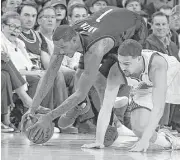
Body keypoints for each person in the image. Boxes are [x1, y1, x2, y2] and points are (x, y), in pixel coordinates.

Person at [21, 6, 147, 143]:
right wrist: (32, 108)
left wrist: (49, 117)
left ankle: (112, 123)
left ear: (74, 41)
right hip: (108, 24)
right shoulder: (65, 39)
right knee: (79, 75)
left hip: (134, 30)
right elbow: (49, 75)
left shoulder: (95, 49)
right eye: (58, 48)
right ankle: (80, 105)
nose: (60, 52)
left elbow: (81, 91)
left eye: (63, 48)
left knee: (99, 80)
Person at [82, 39, 180, 151]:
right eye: (120, 62)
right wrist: (99, 141)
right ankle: (172, 142)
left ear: (139, 59)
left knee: (145, 136)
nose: (123, 67)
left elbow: (158, 108)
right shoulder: (116, 71)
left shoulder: (156, 64)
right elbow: (106, 108)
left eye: (127, 64)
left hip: (173, 79)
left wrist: (144, 141)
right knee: (139, 129)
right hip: (145, 87)